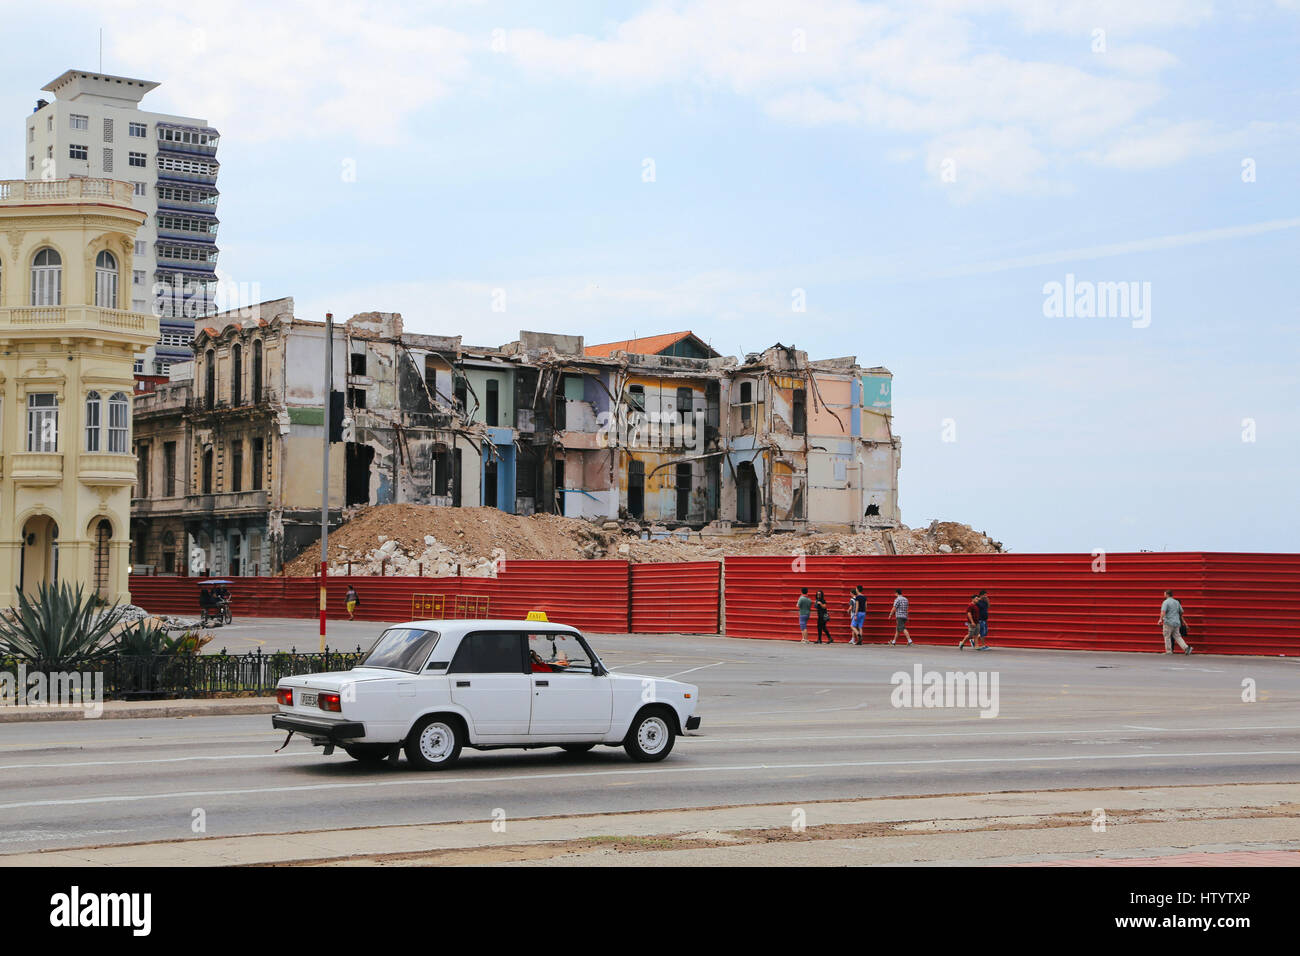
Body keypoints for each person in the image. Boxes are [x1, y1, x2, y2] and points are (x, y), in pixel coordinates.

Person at [1158, 589, 1192, 654]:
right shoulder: (1177, 602)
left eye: (1164, 594)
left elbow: (1163, 611)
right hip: (1176, 623)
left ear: (1167, 594)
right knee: (1177, 636)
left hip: (1168, 622)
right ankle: (1186, 648)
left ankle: (1168, 651)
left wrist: (1160, 619)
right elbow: (1181, 611)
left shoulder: (1166, 602)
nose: (1164, 595)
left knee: (1167, 636)